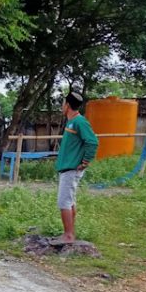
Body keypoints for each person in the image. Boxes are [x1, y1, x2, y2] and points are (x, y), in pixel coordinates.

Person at [55, 92, 99, 244]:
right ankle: (69, 233)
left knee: (64, 202)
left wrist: (85, 161)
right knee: (69, 201)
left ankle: (68, 235)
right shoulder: (71, 122)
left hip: (71, 168)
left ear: (67, 105)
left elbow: (92, 142)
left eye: (63, 103)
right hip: (67, 167)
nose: (62, 106)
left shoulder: (79, 122)